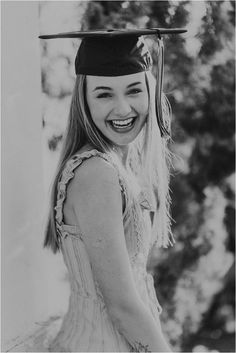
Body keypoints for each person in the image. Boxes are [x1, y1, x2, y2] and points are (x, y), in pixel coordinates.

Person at [40, 28, 186, 352]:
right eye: (104, 94)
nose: (122, 109)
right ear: (84, 100)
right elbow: (122, 306)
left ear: (150, 91)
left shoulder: (115, 167)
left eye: (134, 90)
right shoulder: (97, 174)